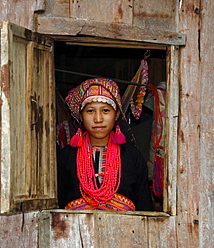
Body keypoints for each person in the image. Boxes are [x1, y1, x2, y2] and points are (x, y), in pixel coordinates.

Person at [58, 78, 153, 211]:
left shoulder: (132, 155)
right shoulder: (66, 156)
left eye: (106, 111)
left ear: (116, 115)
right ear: (81, 116)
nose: (98, 119)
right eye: (90, 111)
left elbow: (145, 207)